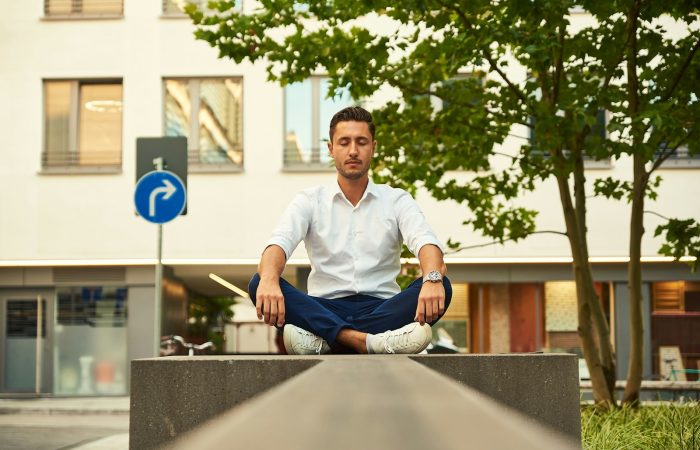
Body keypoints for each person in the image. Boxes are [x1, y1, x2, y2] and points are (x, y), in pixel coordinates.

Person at [248, 106, 452, 354]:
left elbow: (426, 243)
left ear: (373, 148)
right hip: (325, 306)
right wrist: (269, 279)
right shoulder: (309, 200)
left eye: (361, 142)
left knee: (444, 286)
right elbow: (278, 245)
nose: (353, 151)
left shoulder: (396, 199)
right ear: (331, 149)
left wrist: (432, 278)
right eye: (344, 142)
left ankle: (327, 339)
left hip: (382, 308)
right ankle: (371, 342)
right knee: (259, 281)